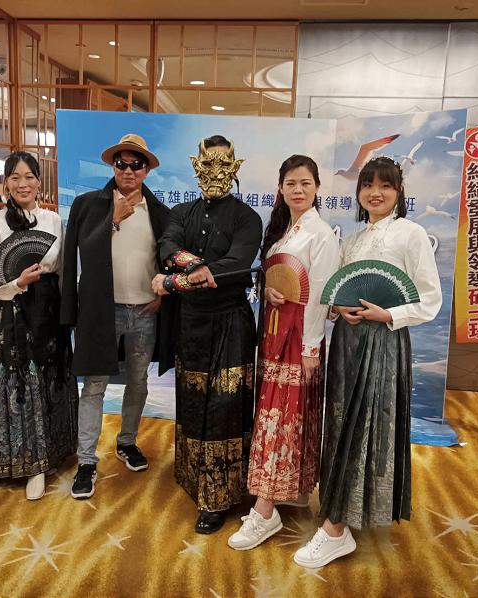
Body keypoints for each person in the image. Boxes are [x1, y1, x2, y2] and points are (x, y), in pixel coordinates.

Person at [293, 156, 441, 568]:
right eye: (368, 185)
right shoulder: (354, 240)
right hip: (346, 339)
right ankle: (339, 511)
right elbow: (337, 293)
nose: (376, 193)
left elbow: (430, 300)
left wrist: (388, 314)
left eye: (385, 186)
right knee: (340, 423)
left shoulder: (411, 234)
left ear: (399, 192)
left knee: (366, 425)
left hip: (383, 342)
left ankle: (336, 529)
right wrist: (338, 308)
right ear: (358, 192)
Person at [228, 155, 340, 550]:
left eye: (305, 183)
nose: (298, 189)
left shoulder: (321, 234)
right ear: (280, 188)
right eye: (291, 183)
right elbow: (273, 278)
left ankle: (265, 508)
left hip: (298, 339)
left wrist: (310, 348)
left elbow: (320, 295)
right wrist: (268, 289)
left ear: (317, 188)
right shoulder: (282, 230)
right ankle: (283, 492)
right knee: (275, 413)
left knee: (281, 417)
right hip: (274, 333)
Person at [152, 135, 262, 534]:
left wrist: (173, 281)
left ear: (234, 167)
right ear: (197, 167)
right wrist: (196, 268)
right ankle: (192, 477)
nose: (215, 172)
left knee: (224, 406)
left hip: (231, 324)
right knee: (192, 401)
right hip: (191, 325)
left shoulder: (248, 218)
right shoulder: (182, 212)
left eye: (222, 165)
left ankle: (220, 496)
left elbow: (236, 264)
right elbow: (167, 245)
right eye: (208, 165)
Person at [61, 133, 171, 500]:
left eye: (136, 164)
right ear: (112, 166)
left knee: (138, 381)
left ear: (147, 170)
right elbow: (77, 255)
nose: (128, 170)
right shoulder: (88, 205)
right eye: (121, 163)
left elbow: (167, 259)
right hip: (101, 311)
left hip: (144, 312)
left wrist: (163, 297)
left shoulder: (159, 212)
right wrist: (113, 219)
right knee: (94, 385)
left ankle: (126, 442)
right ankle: (86, 461)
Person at [0, 151, 78, 500]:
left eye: (29, 177)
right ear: (6, 183)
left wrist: (67, 313)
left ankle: (53, 452)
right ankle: (29, 462)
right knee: (21, 383)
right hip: (13, 309)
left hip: (48, 308)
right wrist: (16, 283)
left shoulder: (53, 221)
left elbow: (62, 270)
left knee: (50, 379)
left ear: (39, 181)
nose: (23, 184)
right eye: (15, 177)